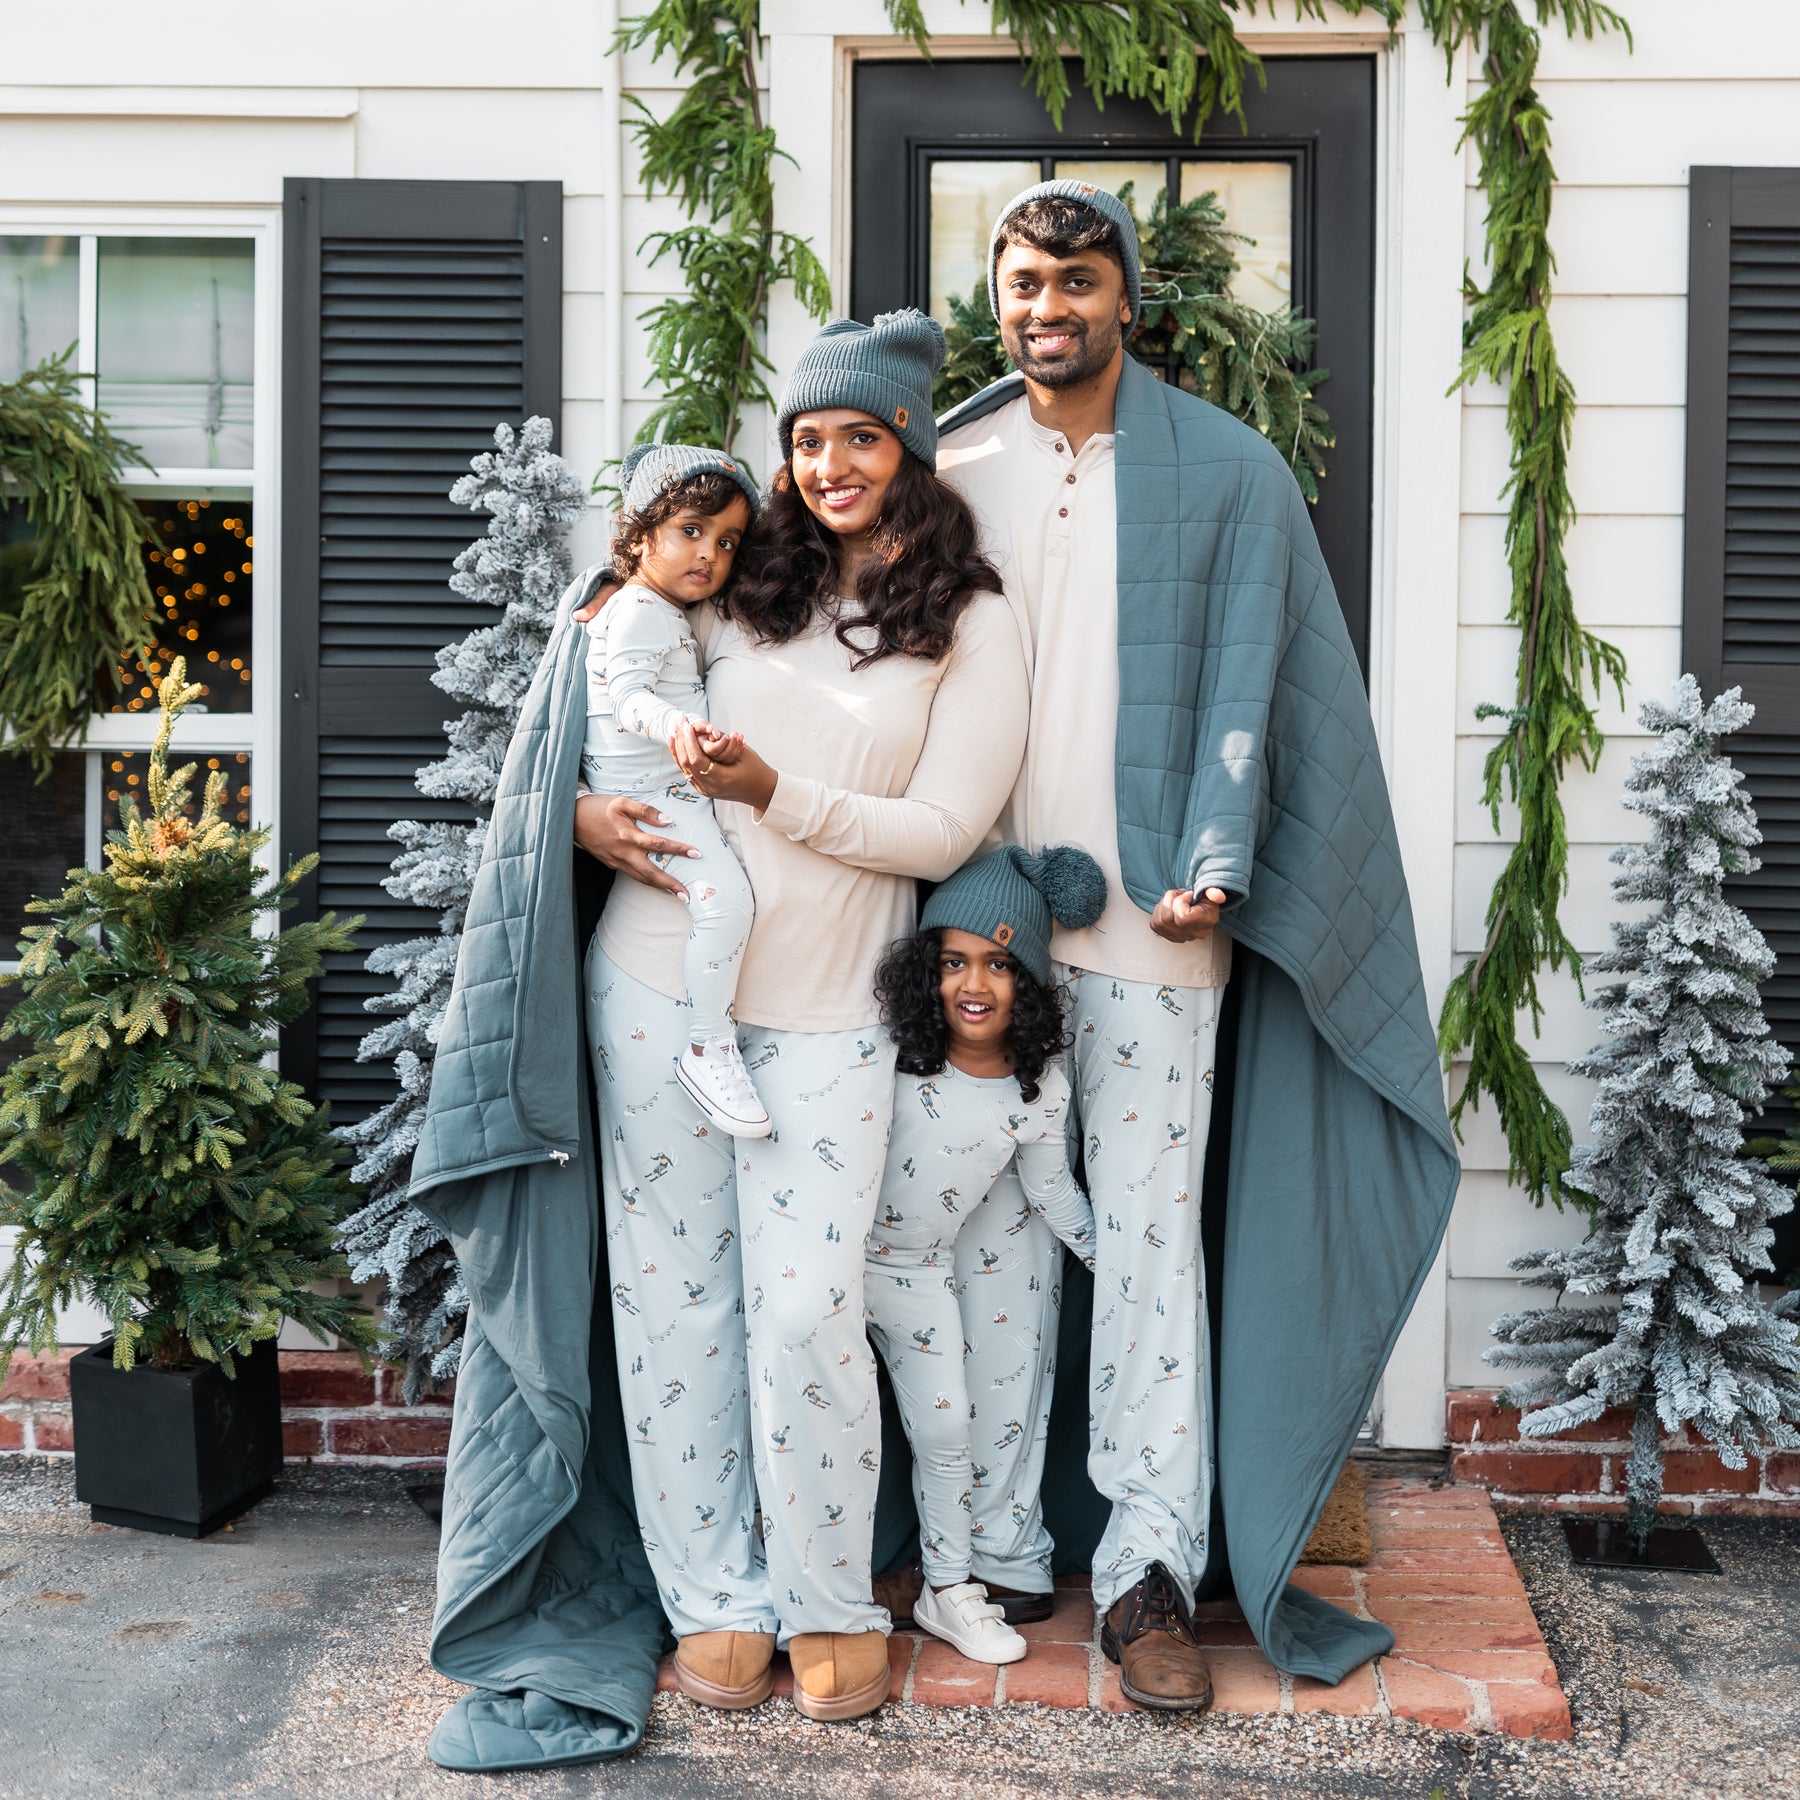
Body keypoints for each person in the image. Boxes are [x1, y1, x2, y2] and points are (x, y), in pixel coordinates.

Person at [915, 178, 1458, 1711]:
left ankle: (1147, 1568)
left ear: (1128, 300)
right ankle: (1000, 1544)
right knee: (991, 1236)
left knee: (1149, 1247)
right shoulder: (943, 465)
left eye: (1077, 281)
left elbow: (1265, 703)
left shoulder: (1229, 473)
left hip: (1161, 927)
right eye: (1023, 281)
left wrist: (1219, 863)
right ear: (998, 295)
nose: (1047, 307)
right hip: (982, 935)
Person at [577, 308, 1030, 1723]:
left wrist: (781, 797)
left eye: (858, 435)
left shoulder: (970, 618)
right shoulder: (726, 580)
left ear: (910, 445)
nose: (828, 462)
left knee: (805, 1314)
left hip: (836, 1016)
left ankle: (830, 1596)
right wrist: (585, 814)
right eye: (807, 438)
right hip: (657, 984)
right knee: (676, 1308)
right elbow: (604, 686)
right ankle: (714, 1598)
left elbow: (946, 824)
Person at [864, 843, 1105, 1666]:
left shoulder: (1036, 1091)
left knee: (949, 1429)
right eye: (954, 962)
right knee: (821, 1412)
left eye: (999, 965)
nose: (974, 984)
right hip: (830, 1264)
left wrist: (1120, 1266)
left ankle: (949, 1587)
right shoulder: (885, 1064)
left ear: (1027, 983)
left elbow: (1055, 1196)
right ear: (923, 972)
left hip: (919, 1273)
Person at [580, 443, 768, 1135]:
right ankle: (707, 1047)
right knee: (726, 902)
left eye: (726, 541)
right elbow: (628, 699)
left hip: (673, 789)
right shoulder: (635, 611)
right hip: (657, 801)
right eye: (691, 530)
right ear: (640, 533)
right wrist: (682, 726)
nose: (709, 554)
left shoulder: (658, 609)